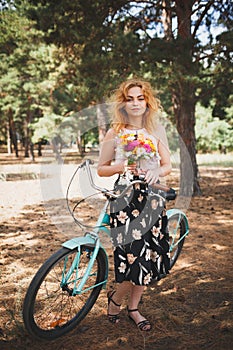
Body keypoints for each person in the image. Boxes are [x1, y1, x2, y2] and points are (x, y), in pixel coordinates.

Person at [97, 78, 172, 332]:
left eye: (140, 98)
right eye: (130, 98)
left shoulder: (156, 130)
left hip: (152, 198)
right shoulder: (114, 132)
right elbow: (101, 169)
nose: (136, 103)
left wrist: (156, 173)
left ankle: (132, 308)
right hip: (125, 199)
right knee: (131, 257)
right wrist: (121, 166)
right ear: (123, 103)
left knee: (146, 257)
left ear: (147, 101)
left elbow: (167, 165)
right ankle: (116, 299)